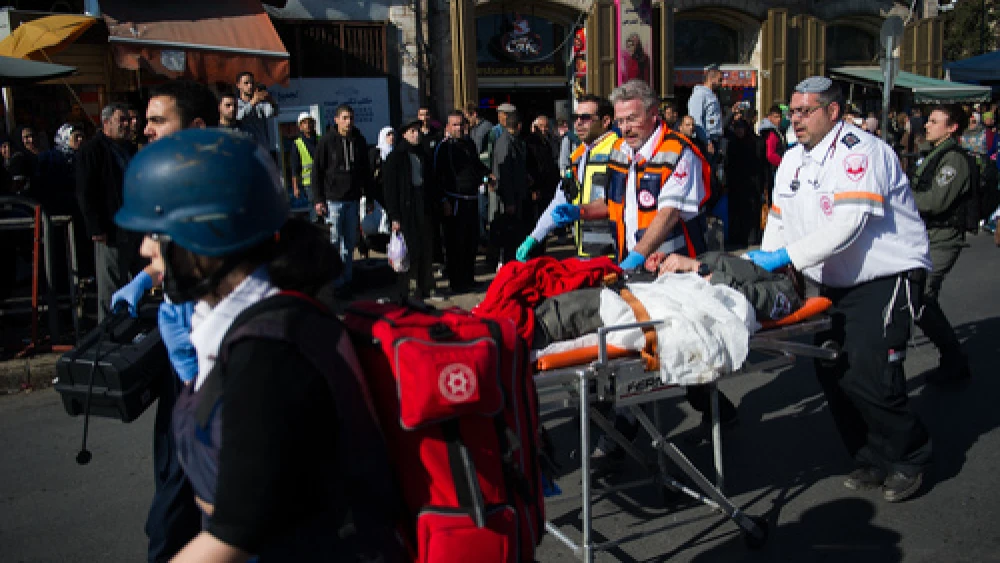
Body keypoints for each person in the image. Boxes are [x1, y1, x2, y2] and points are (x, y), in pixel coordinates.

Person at [114, 128, 403, 562]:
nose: (143, 250)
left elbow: (236, 530)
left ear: (207, 236)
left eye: (156, 233)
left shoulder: (269, 351)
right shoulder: (236, 323)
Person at [751, 76, 932, 503]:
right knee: (832, 369)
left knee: (872, 373)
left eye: (805, 111)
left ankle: (909, 457)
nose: (795, 119)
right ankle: (869, 455)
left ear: (832, 112)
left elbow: (848, 225)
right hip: (833, 280)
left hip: (885, 276)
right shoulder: (793, 160)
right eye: (792, 111)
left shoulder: (862, 152)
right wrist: (769, 266)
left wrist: (787, 258)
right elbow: (778, 219)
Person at [909, 104, 973, 384]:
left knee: (922, 298)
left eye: (934, 121)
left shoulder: (954, 160)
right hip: (927, 236)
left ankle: (954, 360)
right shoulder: (934, 154)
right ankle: (952, 358)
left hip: (943, 237)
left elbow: (936, 201)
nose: (927, 125)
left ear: (952, 128)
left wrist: (901, 200)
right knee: (919, 298)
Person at [518, 94, 618, 261]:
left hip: (615, 255)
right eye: (575, 117)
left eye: (585, 118)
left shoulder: (619, 151)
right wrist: (534, 237)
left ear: (605, 121)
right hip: (587, 254)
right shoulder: (578, 156)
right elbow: (560, 199)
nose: (578, 122)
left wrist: (580, 211)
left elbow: (621, 203)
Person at [75, 102, 137, 321]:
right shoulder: (92, 151)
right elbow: (85, 192)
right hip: (109, 228)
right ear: (106, 123)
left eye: (128, 120)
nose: (127, 125)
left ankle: (130, 328)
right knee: (110, 282)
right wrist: (96, 227)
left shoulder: (128, 148)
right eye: (121, 120)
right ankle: (109, 334)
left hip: (132, 225)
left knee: (132, 280)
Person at [311, 104, 372, 298]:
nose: (348, 122)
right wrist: (319, 199)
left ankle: (347, 279)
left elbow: (366, 172)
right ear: (336, 119)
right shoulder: (327, 141)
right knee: (334, 241)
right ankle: (334, 282)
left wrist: (369, 197)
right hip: (333, 200)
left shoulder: (359, 141)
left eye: (351, 118)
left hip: (352, 199)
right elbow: (317, 171)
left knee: (350, 242)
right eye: (344, 118)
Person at [434, 110, 492, 292]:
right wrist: (444, 200)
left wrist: (487, 175)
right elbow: (437, 176)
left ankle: (469, 278)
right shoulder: (443, 147)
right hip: (454, 201)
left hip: (472, 199)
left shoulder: (469, 144)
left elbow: (476, 166)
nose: (459, 128)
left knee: (470, 242)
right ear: (448, 127)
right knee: (455, 244)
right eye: (455, 125)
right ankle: (457, 282)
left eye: (461, 124)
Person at [383, 118, 439, 300]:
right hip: (406, 209)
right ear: (404, 134)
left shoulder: (423, 154)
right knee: (410, 250)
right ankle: (411, 289)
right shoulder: (396, 157)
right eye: (412, 131)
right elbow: (390, 190)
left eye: (417, 131)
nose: (416, 134)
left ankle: (428, 286)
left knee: (426, 247)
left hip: (423, 205)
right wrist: (394, 216)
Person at [687, 64, 723, 161]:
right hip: (706, 141)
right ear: (711, 79)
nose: (721, 83)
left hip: (715, 139)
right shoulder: (700, 95)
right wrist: (706, 141)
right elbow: (696, 120)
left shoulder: (712, 96)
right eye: (720, 80)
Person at [235, 71, 277, 153]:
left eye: (252, 83)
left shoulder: (260, 103)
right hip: (245, 148)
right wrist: (252, 102)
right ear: (238, 85)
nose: (250, 86)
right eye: (246, 83)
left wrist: (271, 101)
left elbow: (271, 113)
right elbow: (238, 117)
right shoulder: (236, 103)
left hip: (262, 149)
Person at [289, 112, 319, 212]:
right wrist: (295, 187)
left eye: (310, 122)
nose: (308, 125)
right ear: (300, 127)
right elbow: (295, 167)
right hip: (308, 183)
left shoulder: (320, 140)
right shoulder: (297, 143)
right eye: (304, 123)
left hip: (323, 181)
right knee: (314, 208)